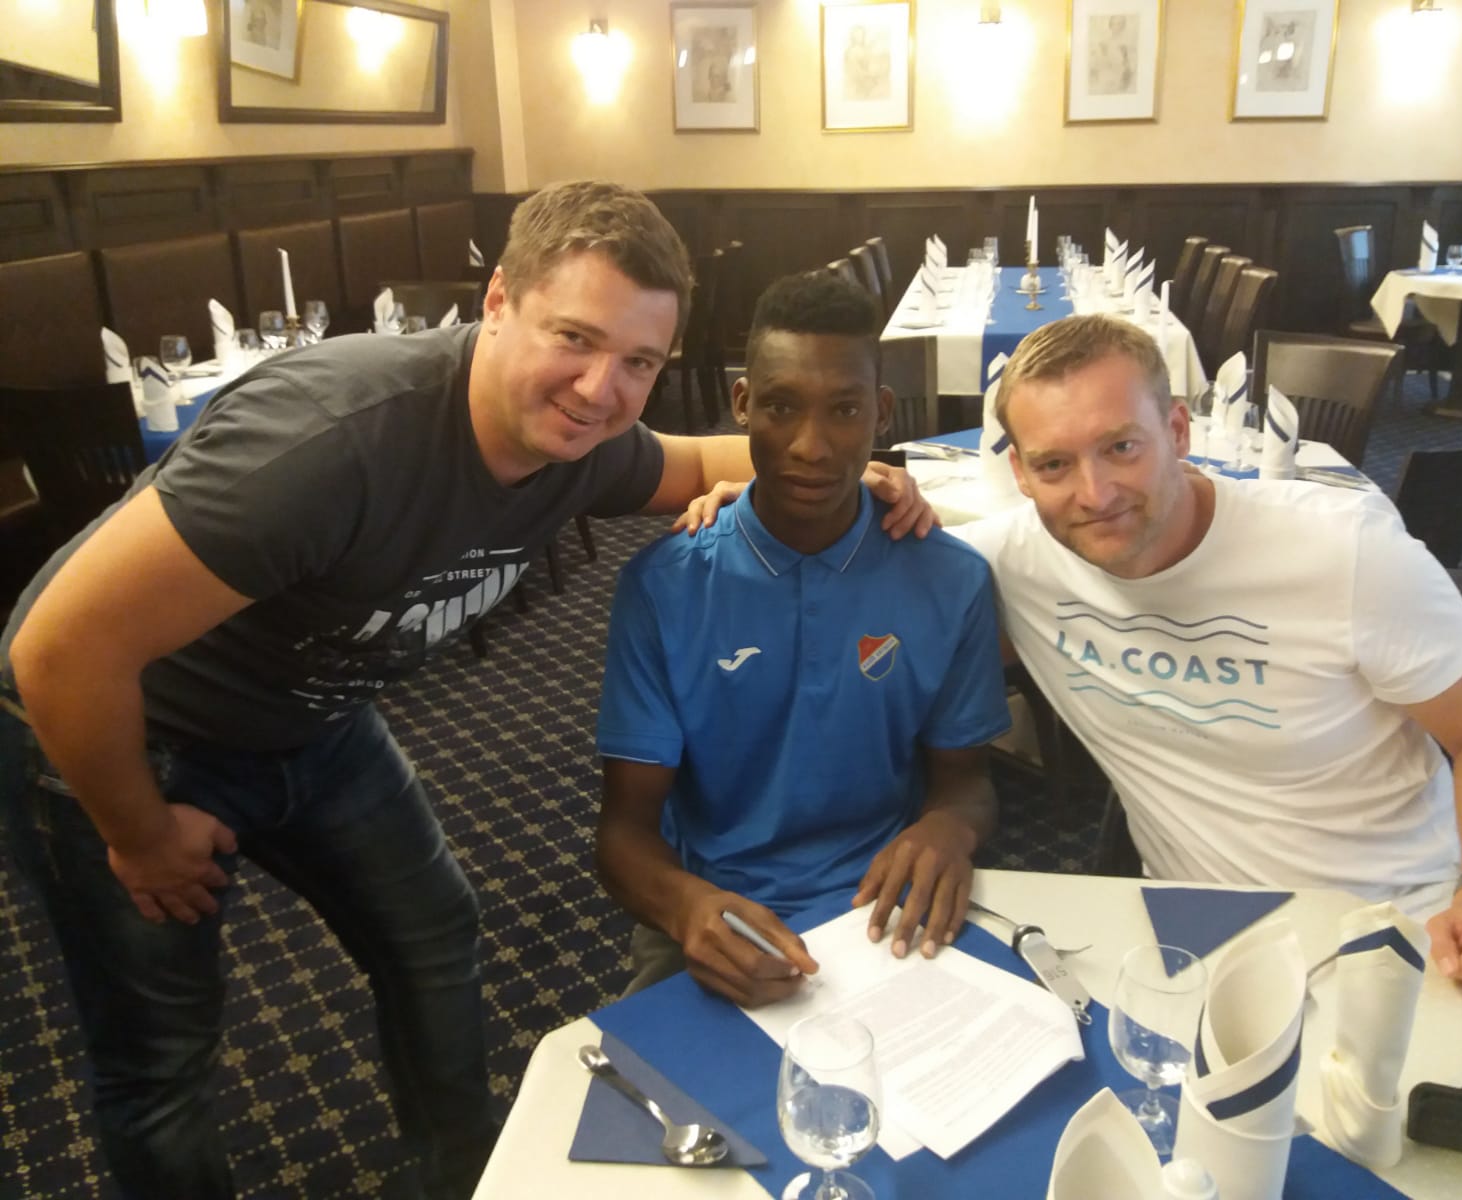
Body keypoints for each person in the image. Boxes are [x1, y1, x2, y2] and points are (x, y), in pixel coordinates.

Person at [0, 181, 931, 1199]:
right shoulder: (332, 444)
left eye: (639, 362)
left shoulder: (576, 445)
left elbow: (710, 457)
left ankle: (460, 1178)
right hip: (121, 728)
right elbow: (58, 652)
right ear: (497, 303)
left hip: (314, 718)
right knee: (161, 1061)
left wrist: (861, 475)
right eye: (573, 338)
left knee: (433, 935)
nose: (600, 389)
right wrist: (138, 832)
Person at [955, 314, 1462, 1004]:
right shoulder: (1011, 563)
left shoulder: (1345, 552)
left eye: (1121, 447)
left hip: (1401, 923)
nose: (1094, 493)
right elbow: (886, 586)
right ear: (1020, 472)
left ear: (1177, 431)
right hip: (1195, 930)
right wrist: (874, 494)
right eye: (1054, 464)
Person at [594, 271, 1011, 1007]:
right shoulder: (665, 586)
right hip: (719, 909)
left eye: (844, 410)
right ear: (742, 404)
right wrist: (686, 907)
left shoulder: (952, 580)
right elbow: (624, 831)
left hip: (886, 903)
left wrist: (949, 827)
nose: (811, 447)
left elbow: (965, 781)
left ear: (881, 414)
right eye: (781, 406)